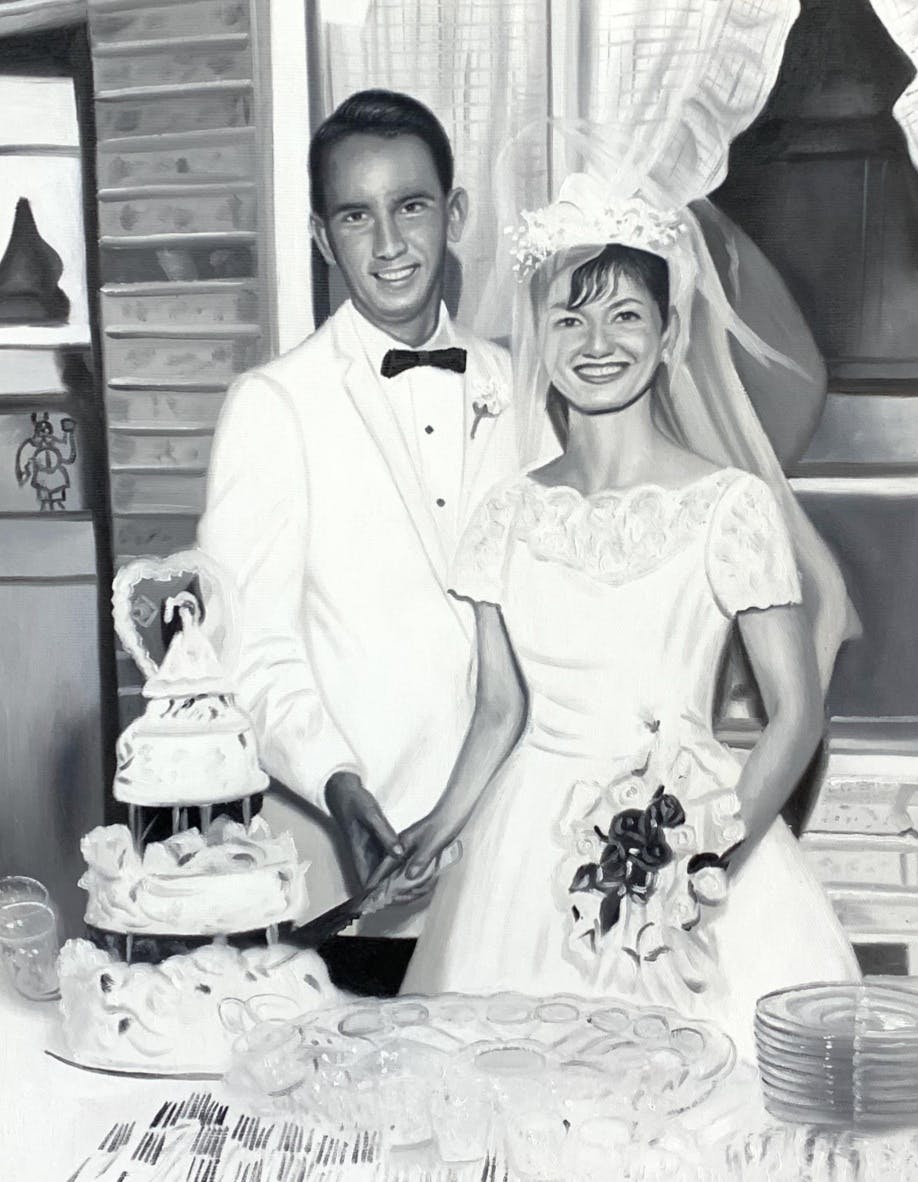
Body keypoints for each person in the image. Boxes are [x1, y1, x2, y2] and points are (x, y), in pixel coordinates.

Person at [395, 174, 861, 1057]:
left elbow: (796, 715)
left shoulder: (730, 506)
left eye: (625, 316)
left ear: (670, 333)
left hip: (689, 828)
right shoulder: (506, 514)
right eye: (570, 319)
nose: (597, 343)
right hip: (523, 858)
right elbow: (500, 709)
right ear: (540, 337)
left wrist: (702, 868)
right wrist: (435, 829)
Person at [197, 90, 529, 931]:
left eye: (410, 206)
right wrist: (339, 786)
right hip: (351, 852)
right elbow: (250, 652)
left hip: (515, 842)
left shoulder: (526, 391)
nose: (387, 244)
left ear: (455, 213)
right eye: (356, 216)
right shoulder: (274, 404)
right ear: (322, 239)